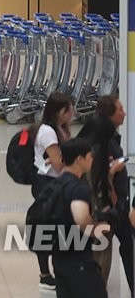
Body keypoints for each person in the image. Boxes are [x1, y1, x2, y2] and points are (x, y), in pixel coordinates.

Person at [79, 95, 133, 294]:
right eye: (120, 109)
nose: (124, 113)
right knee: (102, 253)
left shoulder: (108, 139)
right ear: (109, 115)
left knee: (126, 247)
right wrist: (112, 172)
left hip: (117, 204)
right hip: (107, 206)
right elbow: (95, 176)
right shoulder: (101, 143)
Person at [45, 138, 112, 297]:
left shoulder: (55, 184)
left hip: (59, 256)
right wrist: (97, 229)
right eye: (90, 155)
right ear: (80, 159)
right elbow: (81, 218)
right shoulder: (79, 188)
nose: (92, 159)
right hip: (78, 259)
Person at [31, 91, 75, 288]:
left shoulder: (62, 128)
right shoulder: (48, 131)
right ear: (59, 111)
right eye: (68, 109)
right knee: (45, 226)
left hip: (57, 182)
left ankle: (59, 268)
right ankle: (44, 273)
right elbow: (58, 164)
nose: (72, 112)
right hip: (46, 183)